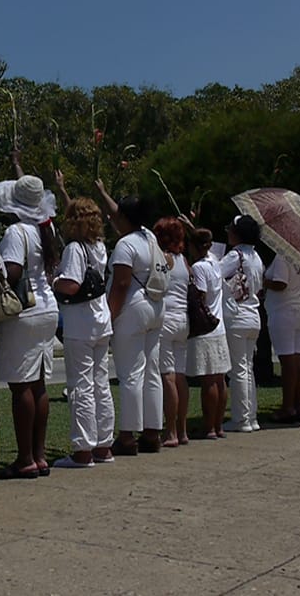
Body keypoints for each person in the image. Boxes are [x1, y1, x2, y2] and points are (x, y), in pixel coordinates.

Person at [0, 158, 61, 478]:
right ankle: (40, 453)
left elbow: (13, 271)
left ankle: (25, 457)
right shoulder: (45, 230)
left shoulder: (16, 232)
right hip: (47, 309)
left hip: (25, 312)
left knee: (21, 387)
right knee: (39, 384)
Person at [97, 182, 167, 455]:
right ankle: (152, 432)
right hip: (155, 306)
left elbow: (121, 284)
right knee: (152, 372)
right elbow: (119, 213)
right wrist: (104, 193)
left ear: (124, 218)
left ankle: (127, 436)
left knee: (130, 374)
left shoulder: (125, 245)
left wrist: (110, 317)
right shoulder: (149, 236)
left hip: (133, 309)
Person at [51, 197, 115, 468]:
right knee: (101, 384)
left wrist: (53, 279)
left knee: (81, 387)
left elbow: (72, 285)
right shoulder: (99, 247)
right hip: (101, 320)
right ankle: (104, 444)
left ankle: (83, 449)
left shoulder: (75, 249)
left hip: (80, 324)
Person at [221, 215, 265, 432]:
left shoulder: (235, 255)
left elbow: (214, 273)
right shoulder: (256, 257)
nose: (228, 231)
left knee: (238, 370)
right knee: (247, 368)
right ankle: (251, 416)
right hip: (253, 315)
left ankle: (241, 419)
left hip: (237, 316)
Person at [186, 227, 231, 438]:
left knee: (208, 381)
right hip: (219, 326)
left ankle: (209, 426)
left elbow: (199, 297)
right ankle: (219, 424)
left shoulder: (199, 268)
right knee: (220, 379)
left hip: (205, 328)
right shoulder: (215, 262)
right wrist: (191, 227)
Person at [153, 217, 192, 447]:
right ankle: (183, 429)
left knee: (167, 377)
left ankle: (171, 431)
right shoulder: (184, 261)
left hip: (166, 319)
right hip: (183, 319)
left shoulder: (165, 259)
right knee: (180, 376)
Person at [265, 252, 300, 423]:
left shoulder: (282, 257)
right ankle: (297, 404)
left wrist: (264, 282)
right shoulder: (296, 257)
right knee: (296, 358)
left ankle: (288, 406)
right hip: (298, 307)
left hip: (284, 311)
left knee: (288, 361)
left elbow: (280, 283)